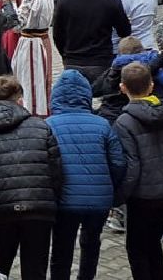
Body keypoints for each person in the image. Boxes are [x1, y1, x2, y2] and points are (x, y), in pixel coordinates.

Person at [0, 76, 62, 280]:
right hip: (39, 208)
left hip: (1, 209)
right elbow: (56, 171)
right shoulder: (41, 127)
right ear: (20, 99)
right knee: (36, 267)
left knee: (1, 260)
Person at [46, 70, 126, 280]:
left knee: (62, 246)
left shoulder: (49, 125)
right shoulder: (102, 124)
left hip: (64, 201)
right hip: (99, 200)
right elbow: (118, 163)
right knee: (92, 243)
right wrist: (110, 190)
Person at [113, 62, 163, 280]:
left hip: (141, 196)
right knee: (154, 244)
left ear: (122, 88)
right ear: (151, 86)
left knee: (137, 250)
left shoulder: (124, 122)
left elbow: (130, 166)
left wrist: (119, 197)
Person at [53, 0, 131, 83]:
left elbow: (58, 34)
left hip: (73, 60)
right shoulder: (112, 0)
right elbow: (125, 31)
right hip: (101, 60)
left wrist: (65, 55)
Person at [11, 0, 54, 117]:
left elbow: (17, 24)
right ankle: (42, 108)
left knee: (29, 78)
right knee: (43, 77)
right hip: (43, 39)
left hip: (30, 43)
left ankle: (31, 110)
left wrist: (10, 2)